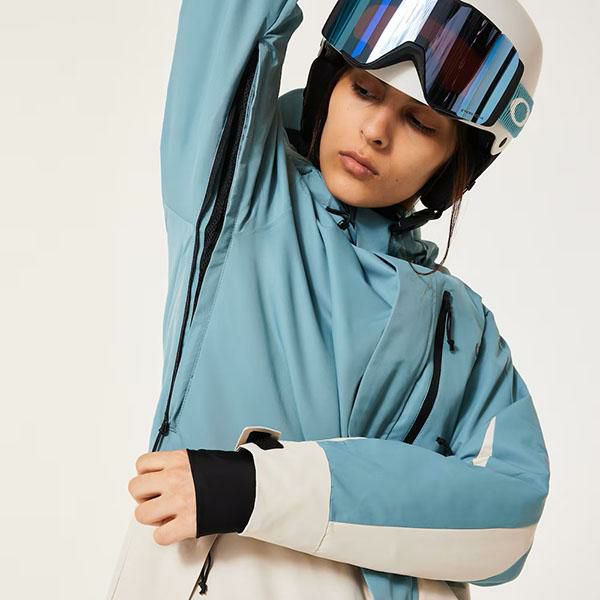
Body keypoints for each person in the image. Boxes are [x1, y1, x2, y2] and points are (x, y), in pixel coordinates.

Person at [124, 1, 550, 598]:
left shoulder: (464, 326)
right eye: (364, 90)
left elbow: (511, 521)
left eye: (421, 123)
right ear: (329, 84)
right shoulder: (239, 197)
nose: (376, 132)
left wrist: (261, 487)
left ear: (454, 161)